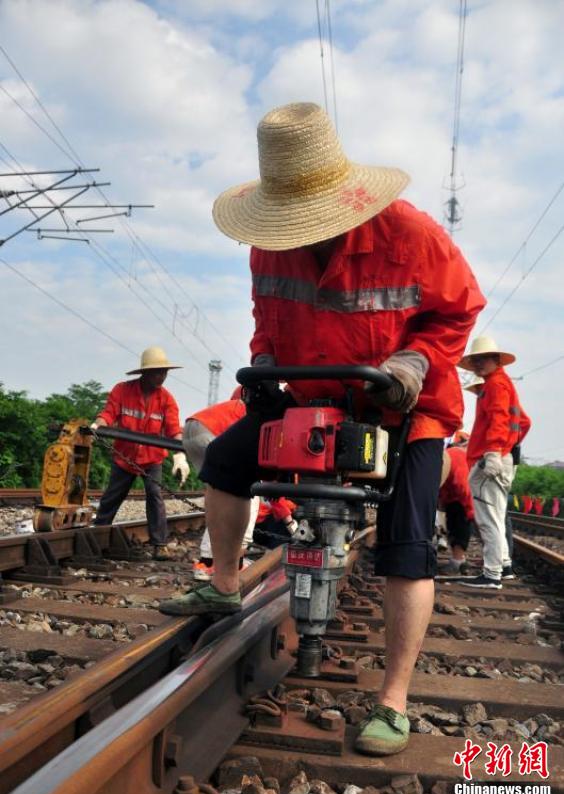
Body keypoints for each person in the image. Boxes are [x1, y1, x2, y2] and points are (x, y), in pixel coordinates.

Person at [159, 102, 485, 756]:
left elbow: (459, 310)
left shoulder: (413, 236)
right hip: (313, 393)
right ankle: (224, 583)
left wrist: (412, 364)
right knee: (224, 462)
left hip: (405, 404)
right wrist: (268, 367)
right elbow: (267, 319)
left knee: (407, 538)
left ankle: (393, 699)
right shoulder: (268, 246)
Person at [91, 346, 189, 559]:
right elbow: (108, 414)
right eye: (157, 372)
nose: (162, 376)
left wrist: (180, 455)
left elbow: (174, 430)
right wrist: (98, 425)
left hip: (152, 457)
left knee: (155, 495)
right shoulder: (122, 390)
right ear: (145, 372)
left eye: (164, 372)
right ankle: (96, 538)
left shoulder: (167, 399)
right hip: (125, 456)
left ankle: (159, 544)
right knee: (112, 497)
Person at [459, 336, 531, 588]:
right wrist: (507, 449)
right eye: (475, 360)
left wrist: (493, 451)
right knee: (496, 516)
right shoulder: (503, 383)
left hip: (489, 458)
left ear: (496, 359)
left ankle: (491, 574)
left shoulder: (495, 385)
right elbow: (524, 422)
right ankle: (504, 566)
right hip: (502, 457)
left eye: (482, 359)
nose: (478, 364)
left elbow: (500, 419)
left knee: (488, 519)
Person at [183, 389, 258, 580]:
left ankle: (206, 561)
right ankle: (235, 562)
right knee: (249, 493)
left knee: (219, 495)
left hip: (191, 429)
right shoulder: (256, 411)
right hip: (209, 432)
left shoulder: (233, 408)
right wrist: (288, 520)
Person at [437, 432, 475, 575]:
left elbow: (463, 486)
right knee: (454, 525)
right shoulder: (451, 455)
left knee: (460, 525)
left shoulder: (456, 456)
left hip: (462, 499)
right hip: (454, 497)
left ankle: (458, 562)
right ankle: (459, 561)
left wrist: (470, 511)